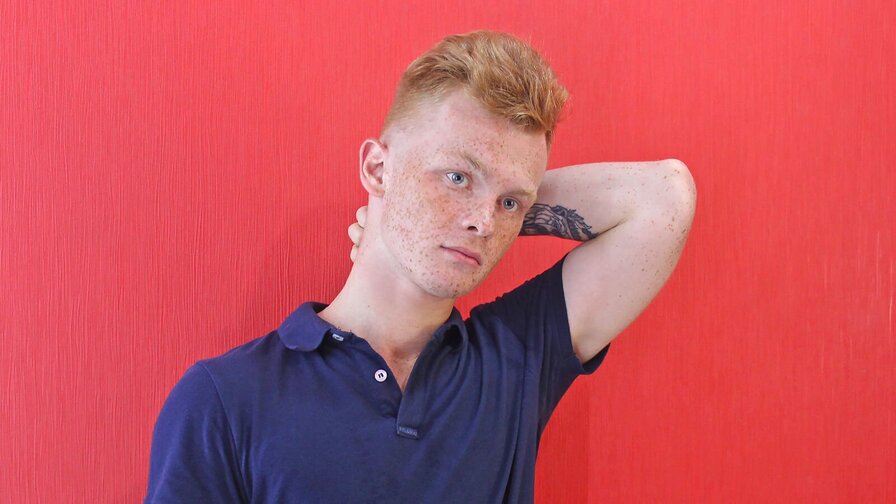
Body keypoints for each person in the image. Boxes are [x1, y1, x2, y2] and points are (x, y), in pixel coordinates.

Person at [144, 30, 696, 503]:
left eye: (509, 202)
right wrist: (484, 195)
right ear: (377, 169)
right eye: (456, 177)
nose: (483, 223)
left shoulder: (513, 361)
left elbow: (664, 197)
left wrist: (501, 198)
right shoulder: (224, 398)